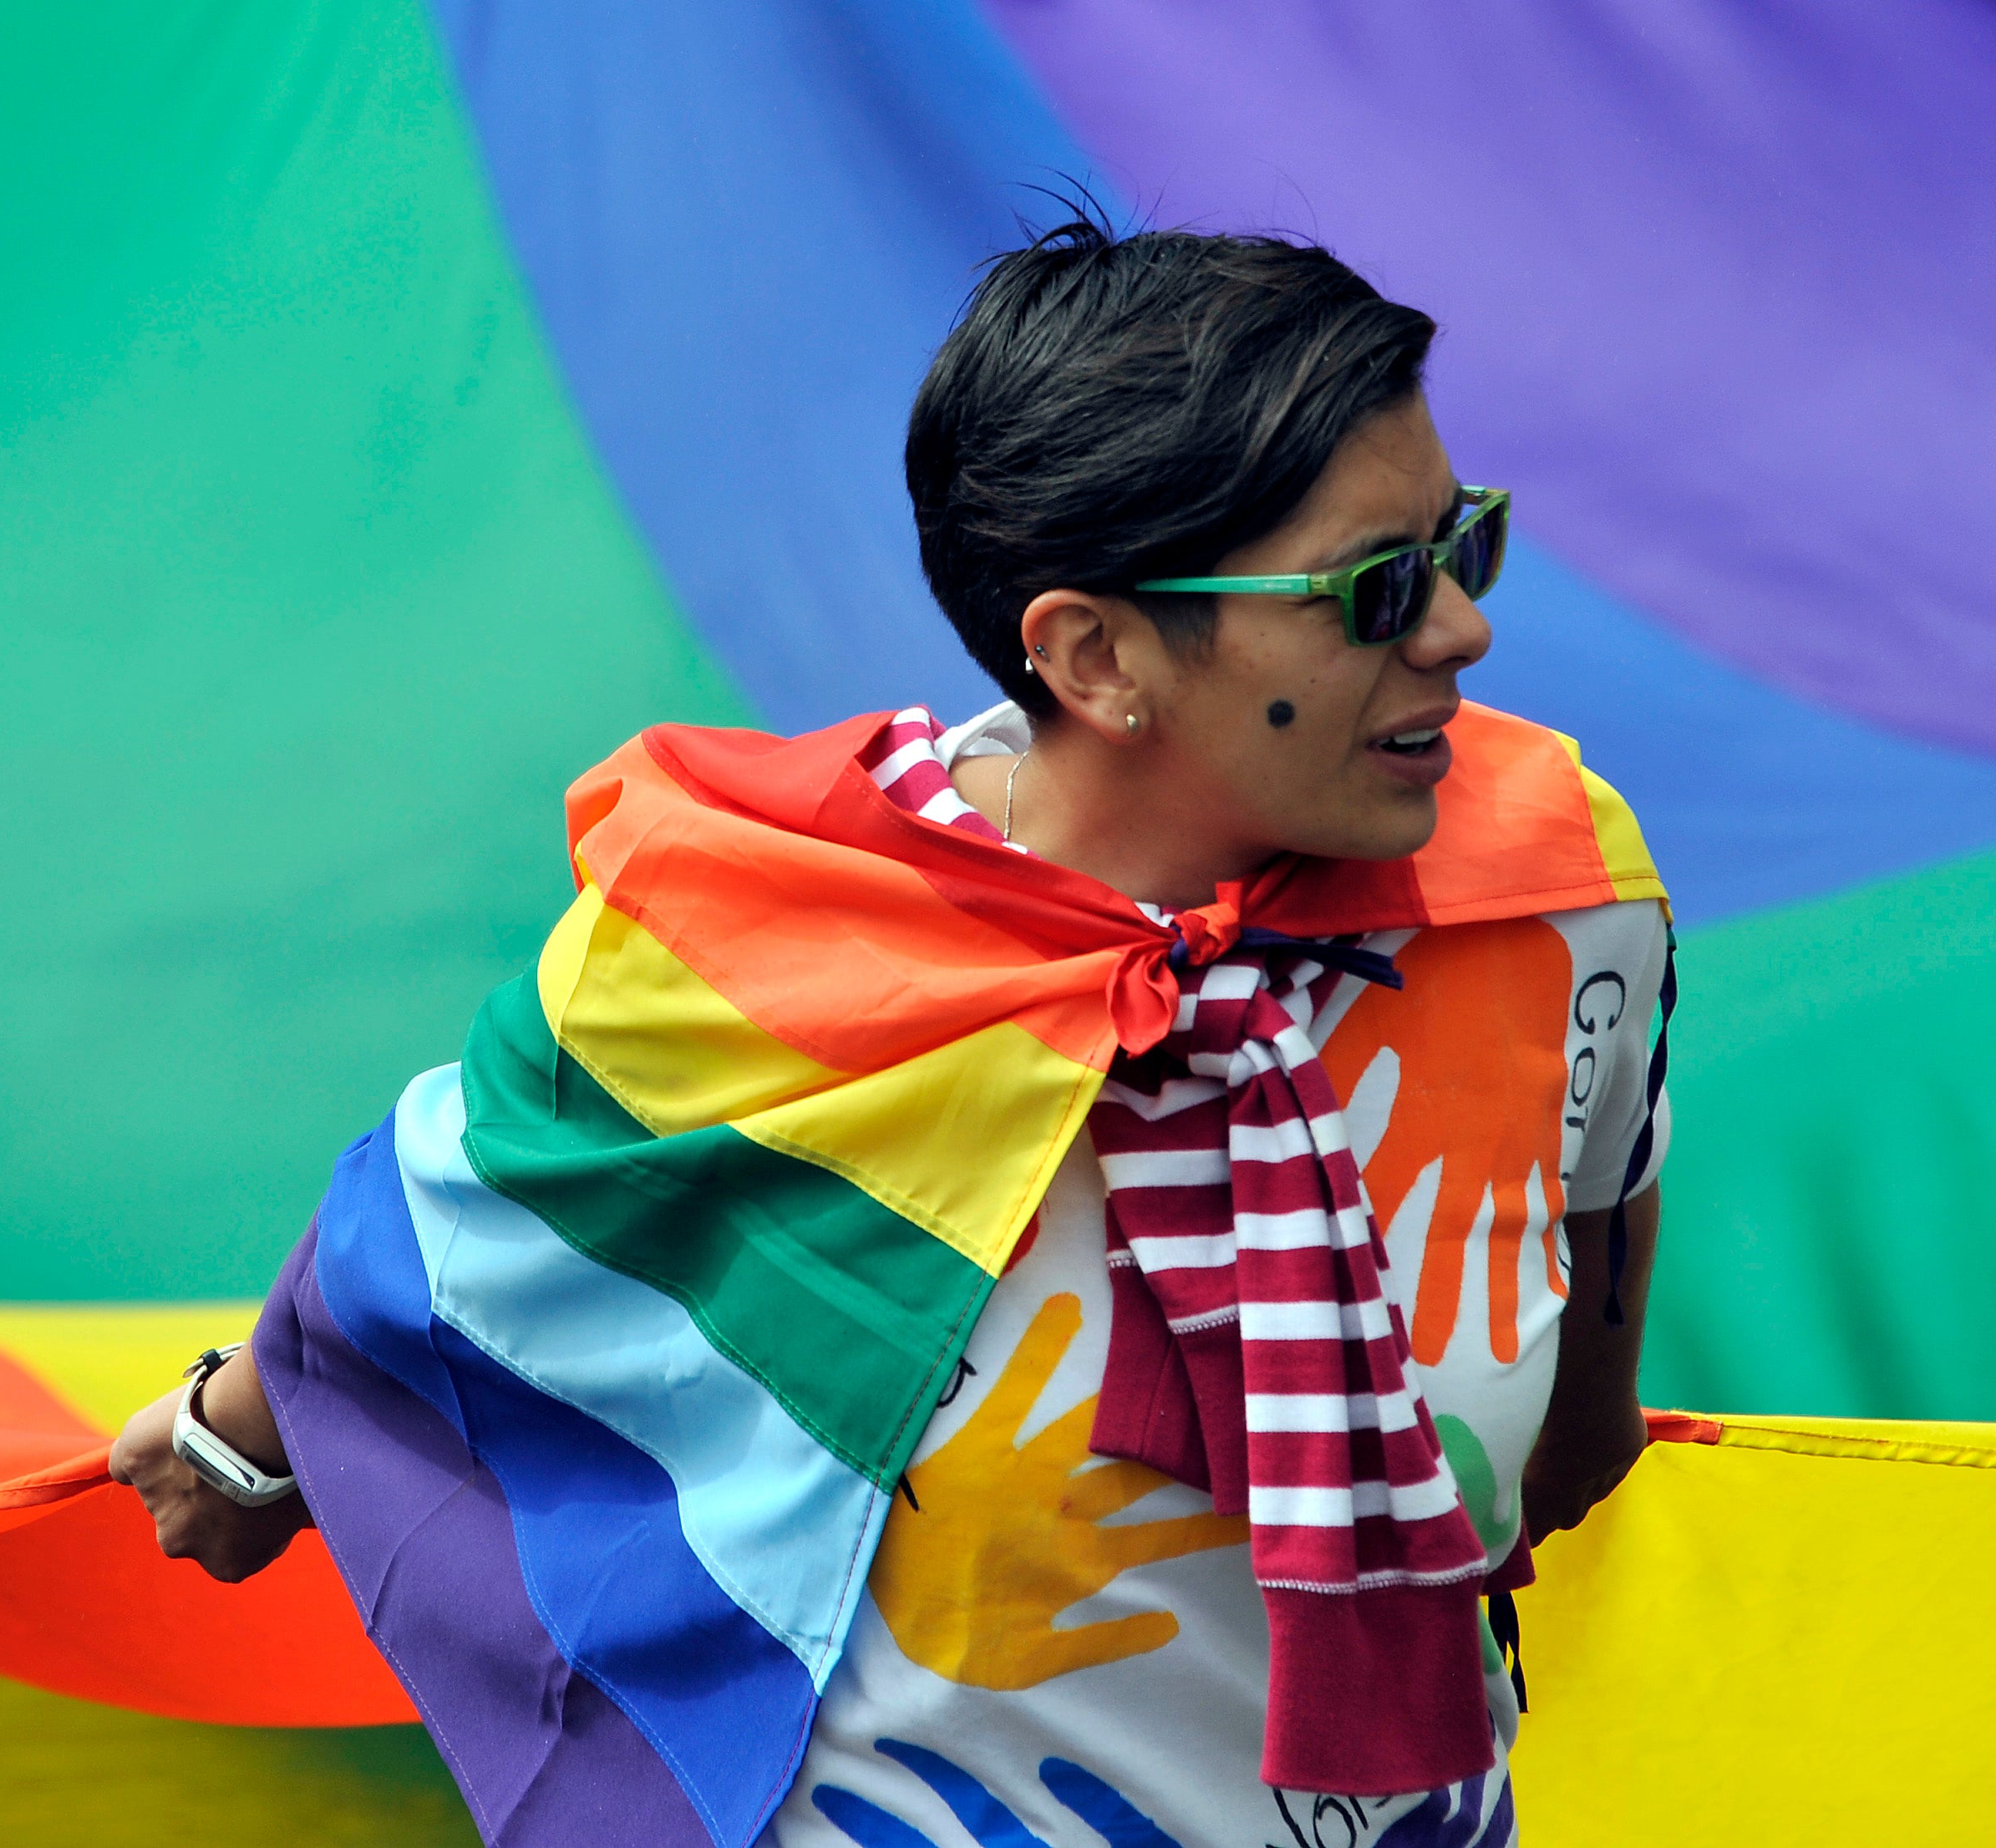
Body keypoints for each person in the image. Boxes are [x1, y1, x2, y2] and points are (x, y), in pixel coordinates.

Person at [112, 218, 1666, 1848]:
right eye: (1378, 588)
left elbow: (1578, 1441)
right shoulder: (765, 926)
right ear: (1096, 654)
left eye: (1462, 544)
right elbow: (445, 1220)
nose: (1460, 630)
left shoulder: (1556, 901)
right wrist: (238, 1445)